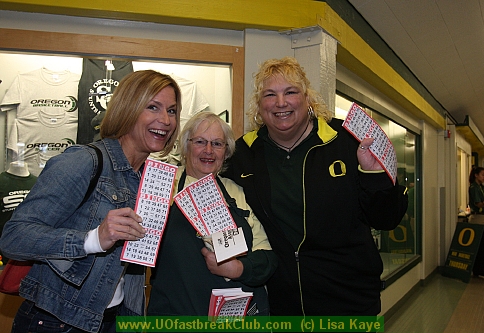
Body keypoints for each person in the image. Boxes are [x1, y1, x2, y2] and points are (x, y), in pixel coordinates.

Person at [221, 57, 408, 315]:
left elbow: (387, 219)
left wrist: (375, 176)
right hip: (281, 304)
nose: (281, 102)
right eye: (270, 94)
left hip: (349, 302)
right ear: (259, 105)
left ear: (307, 98)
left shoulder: (347, 142)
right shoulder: (243, 154)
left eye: (291, 92)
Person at [0, 70, 181, 333]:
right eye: (153, 107)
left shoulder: (149, 179)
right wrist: (93, 239)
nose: (165, 120)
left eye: (172, 111)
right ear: (128, 109)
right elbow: (14, 238)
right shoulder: (83, 161)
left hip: (110, 320)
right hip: (57, 322)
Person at [148, 111, 278, 316]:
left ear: (226, 152)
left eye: (217, 144)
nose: (208, 150)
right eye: (200, 141)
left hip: (235, 320)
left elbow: (266, 259)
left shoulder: (236, 191)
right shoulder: (163, 185)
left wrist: (238, 269)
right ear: (185, 146)